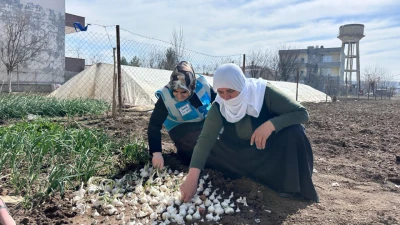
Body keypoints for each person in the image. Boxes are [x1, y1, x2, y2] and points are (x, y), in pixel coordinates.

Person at [180, 63, 319, 202]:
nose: (226, 97)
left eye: (230, 90)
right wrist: (192, 179)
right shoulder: (219, 106)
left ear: (240, 85)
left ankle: (290, 185)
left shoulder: (263, 92)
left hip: (268, 150)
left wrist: (270, 125)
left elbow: (302, 113)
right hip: (241, 154)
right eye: (221, 92)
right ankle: (249, 175)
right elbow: (205, 139)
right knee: (207, 146)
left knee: (294, 131)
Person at [148, 61, 216, 169]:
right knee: (200, 148)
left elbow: (220, 103)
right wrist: (156, 153)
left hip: (203, 124)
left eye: (184, 92)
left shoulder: (203, 86)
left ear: (192, 86)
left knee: (218, 142)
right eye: (175, 91)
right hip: (180, 129)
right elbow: (154, 125)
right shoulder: (165, 97)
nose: (179, 96)